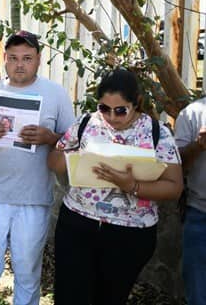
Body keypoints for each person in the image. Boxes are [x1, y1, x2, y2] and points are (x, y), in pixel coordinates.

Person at [48, 68, 183, 305]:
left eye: (120, 110)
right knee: (70, 295)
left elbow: (174, 187)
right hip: (77, 225)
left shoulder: (156, 134)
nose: (111, 116)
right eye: (104, 108)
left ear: (137, 103)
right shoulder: (86, 123)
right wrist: (77, 157)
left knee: (110, 297)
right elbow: (53, 161)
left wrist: (132, 185)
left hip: (129, 234)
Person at [0, 30, 74, 305]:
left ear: (38, 59)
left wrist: (49, 138)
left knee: (27, 274)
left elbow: (73, 142)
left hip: (33, 199)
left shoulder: (56, 93)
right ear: (5, 59)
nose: (20, 64)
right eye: (13, 58)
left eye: (27, 58)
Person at [174, 97, 206, 305]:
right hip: (200, 214)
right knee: (198, 293)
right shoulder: (193, 113)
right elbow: (175, 164)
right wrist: (199, 145)